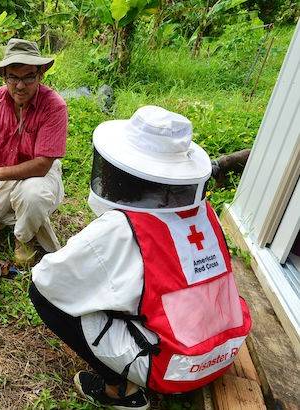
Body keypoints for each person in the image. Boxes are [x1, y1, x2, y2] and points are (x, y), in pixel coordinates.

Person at [29, 106, 252, 409]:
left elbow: (49, 278)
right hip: (222, 351)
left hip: (173, 367)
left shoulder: (121, 229)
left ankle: (119, 391)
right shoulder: (204, 214)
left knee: (41, 293)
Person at [0, 38, 67, 266]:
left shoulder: (54, 106)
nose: (20, 85)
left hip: (36, 175)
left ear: (40, 75)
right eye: (13, 77)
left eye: (28, 76)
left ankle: (24, 238)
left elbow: (42, 165)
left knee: (32, 196)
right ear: (4, 77)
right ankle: (15, 216)